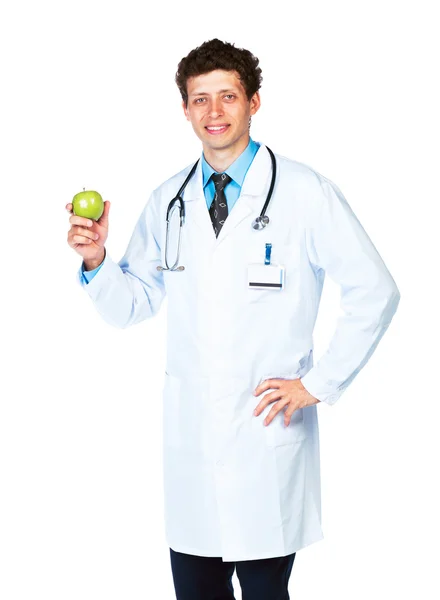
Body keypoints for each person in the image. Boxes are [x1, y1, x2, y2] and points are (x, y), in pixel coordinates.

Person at [66, 38, 400, 600]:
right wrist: (97, 259)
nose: (214, 112)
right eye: (201, 99)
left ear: (254, 102)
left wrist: (318, 384)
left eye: (227, 96)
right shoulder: (167, 200)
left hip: (265, 440)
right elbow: (134, 304)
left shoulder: (303, 193)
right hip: (192, 445)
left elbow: (376, 291)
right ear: (185, 109)